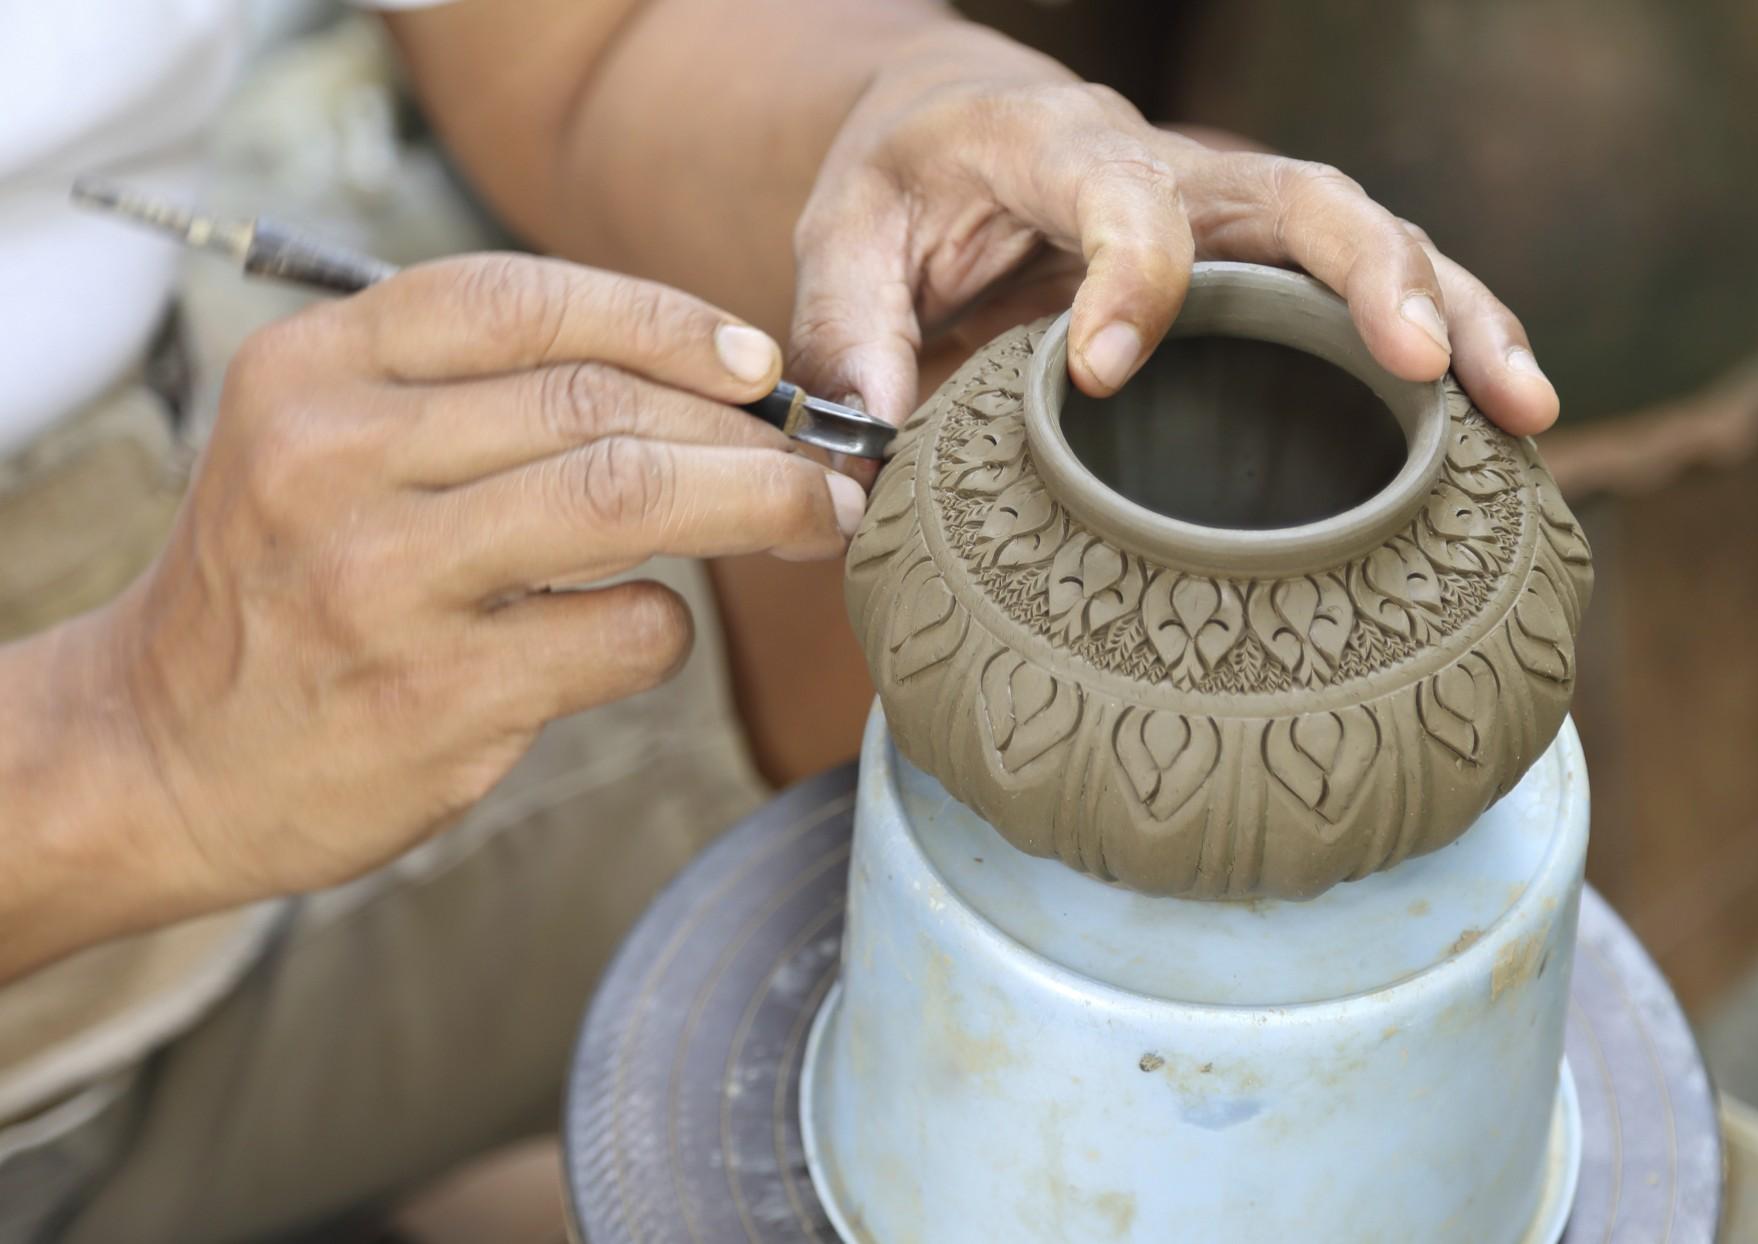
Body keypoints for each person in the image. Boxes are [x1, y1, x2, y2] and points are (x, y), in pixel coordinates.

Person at [0, 0, 1560, 1239]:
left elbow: (589, 42)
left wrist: (904, 108)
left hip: (146, 394)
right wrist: (119, 741)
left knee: (1050, 364)